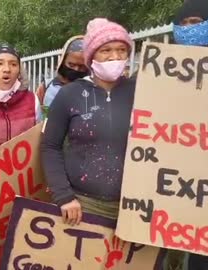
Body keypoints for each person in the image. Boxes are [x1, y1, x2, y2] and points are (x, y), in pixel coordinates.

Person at [41, 18, 135, 225]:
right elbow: (50, 146)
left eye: (121, 49)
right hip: (82, 206)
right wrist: (64, 196)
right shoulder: (69, 94)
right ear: (92, 56)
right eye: (106, 50)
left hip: (135, 207)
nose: (115, 56)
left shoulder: (141, 92)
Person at [172, 1, 208, 269]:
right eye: (185, 24)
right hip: (177, 182)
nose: (190, 29)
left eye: (197, 22)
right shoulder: (164, 70)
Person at [43, 36, 88, 108]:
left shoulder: (94, 88)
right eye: (71, 65)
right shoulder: (52, 88)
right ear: (63, 61)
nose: (76, 69)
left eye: (82, 66)